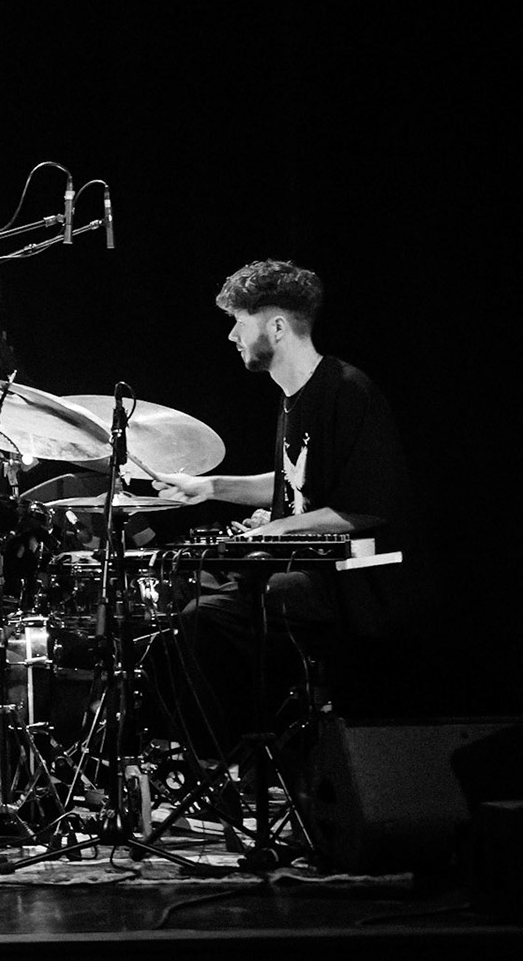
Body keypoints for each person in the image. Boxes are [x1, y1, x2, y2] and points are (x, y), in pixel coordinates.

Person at [149, 260, 417, 761]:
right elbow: (296, 481)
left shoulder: (346, 390)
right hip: (309, 570)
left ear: (275, 325)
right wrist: (208, 487)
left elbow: (364, 508)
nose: (231, 336)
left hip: (356, 579)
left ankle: (225, 763)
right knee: (187, 602)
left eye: (239, 322)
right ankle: (223, 761)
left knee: (207, 619)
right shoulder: (293, 398)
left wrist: (266, 534)